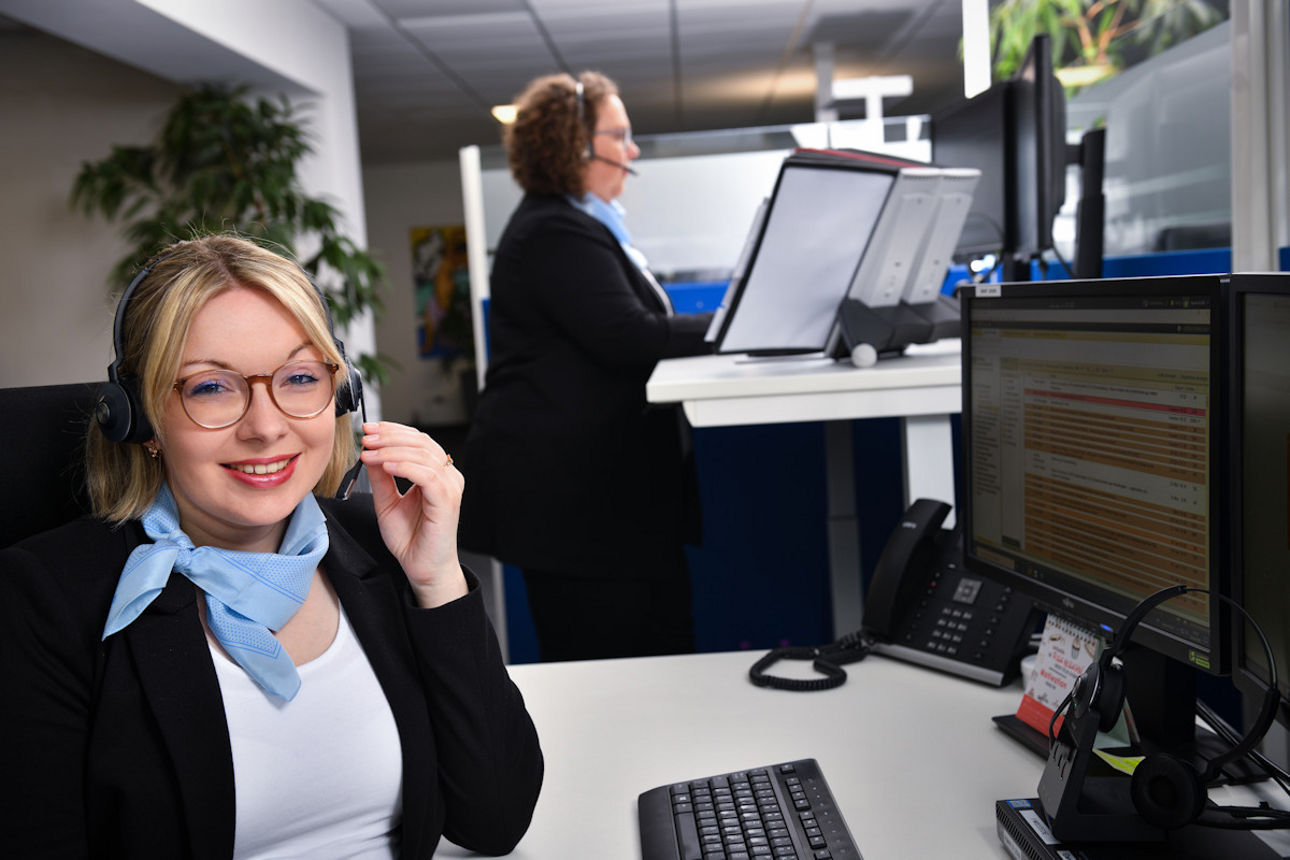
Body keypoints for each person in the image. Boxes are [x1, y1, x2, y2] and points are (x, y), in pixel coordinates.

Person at [0, 235, 543, 858]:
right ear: (141, 419)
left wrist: (437, 578)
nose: (266, 426)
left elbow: (495, 819)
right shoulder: (44, 599)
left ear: (339, 395)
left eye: (301, 378)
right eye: (211, 388)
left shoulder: (381, 548)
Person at [459, 71, 714, 662]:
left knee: (657, 649)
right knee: (605, 664)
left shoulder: (581, 223)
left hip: (604, 496)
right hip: (574, 505)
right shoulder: (555, 230)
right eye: (619, 136)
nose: (633, 151)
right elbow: (627, 335)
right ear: (574, 146)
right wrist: (739, 325)